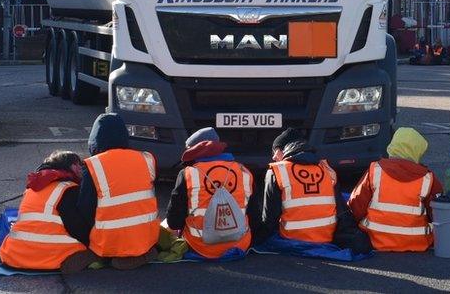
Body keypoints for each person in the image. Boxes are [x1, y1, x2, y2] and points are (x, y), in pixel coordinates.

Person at [258, 128, 369, 252]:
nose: (273, 157)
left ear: (284, 149)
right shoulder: (327, 169)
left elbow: (269, 219)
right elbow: (341, 211)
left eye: (276, 151)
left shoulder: (277, 171)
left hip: (292, 239)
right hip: (327, 238)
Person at [76, 113, 160, 269]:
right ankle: (141, 252)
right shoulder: (147, 158)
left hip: (108, 242)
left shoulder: (93, 165)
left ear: (95, 139)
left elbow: (85, 207)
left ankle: (110, 255)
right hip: (146, 237)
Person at [0, 150, 97, 273]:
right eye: (79, 164)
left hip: (14, 255)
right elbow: (76, 227)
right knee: (96, 250)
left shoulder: (33, 188)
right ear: (73, 166)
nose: (82, 169)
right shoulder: (67, 189)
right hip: (48, 256)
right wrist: (92, 241)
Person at [165, 127, 254, 259]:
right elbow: (255, 215)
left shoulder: (188, 173)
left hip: (200, 246)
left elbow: (174, 221)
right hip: (240, 244)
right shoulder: (243, 171)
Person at [348, 127, 442, 252]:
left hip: (374, 239)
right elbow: (439, 214)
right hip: (417, 242)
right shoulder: (428, 178)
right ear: (418, 151)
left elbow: (356, 205)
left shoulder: (375, 170)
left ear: (392, 146)